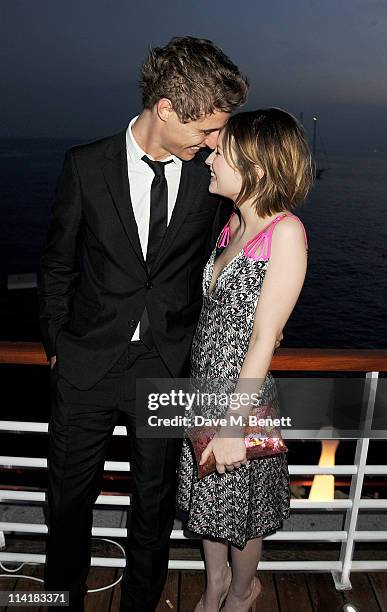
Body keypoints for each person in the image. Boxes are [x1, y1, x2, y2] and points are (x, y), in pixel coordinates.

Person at [37, 36, 249, 611]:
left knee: (154, 510)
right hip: (85, 365)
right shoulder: (84, 165)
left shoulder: (209, 179)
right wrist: (57, 344)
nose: (214, 143)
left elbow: (230, 251)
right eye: (206, 130)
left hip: (166, 365)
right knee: (67, 508)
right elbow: (56, 265)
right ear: (166, 110)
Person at [176, 108, 313, 612]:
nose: (210, 157)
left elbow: (264, 338)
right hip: (204, 390)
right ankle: (215, 584)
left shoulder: (285, 233)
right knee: (208, 501)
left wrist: (234, 426)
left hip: (244, 401)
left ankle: (240, 591)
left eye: (221, 153)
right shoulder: (232, 223)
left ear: (254, 169)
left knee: (243, 510)